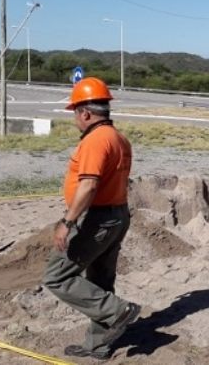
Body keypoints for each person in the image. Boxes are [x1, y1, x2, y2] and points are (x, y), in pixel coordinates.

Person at [42, 77, 140, 360]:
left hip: (97, 219)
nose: (75, 118)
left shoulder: (96, 140)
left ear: (85, 112)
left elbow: (89, 185)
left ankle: (117, 311)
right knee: (100, 282)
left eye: (75, 112)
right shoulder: (119, 138)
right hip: (117, 214)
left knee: (56, 277)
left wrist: (67, 222)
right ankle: (98, 346)